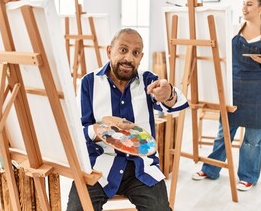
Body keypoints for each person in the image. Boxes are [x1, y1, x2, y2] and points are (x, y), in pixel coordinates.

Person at [66, 28, 189, 210]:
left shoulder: (148, 81)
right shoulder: (88, 83)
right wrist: (99, 130)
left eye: (136, 53)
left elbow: (177, 104)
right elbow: (78, 131)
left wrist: (168, 92)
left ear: (141, 57)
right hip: (99, 166)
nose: (129, 58)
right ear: (109, 51)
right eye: (123, 50)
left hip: (141, 167)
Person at [192, 0, 261, 191]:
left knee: (252, 139)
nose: (244, 7)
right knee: (223, 131)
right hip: (233, 89)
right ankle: (211, 169)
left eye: (249, 4)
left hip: (259, 91)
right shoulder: (233, 28)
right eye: (243, 3)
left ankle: (248, 176)